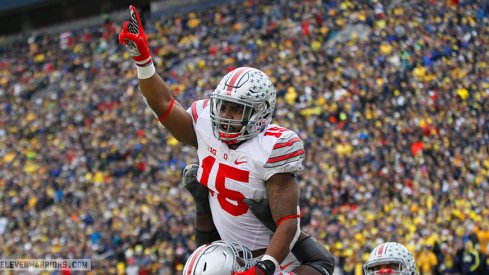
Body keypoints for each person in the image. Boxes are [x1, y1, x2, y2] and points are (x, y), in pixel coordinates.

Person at [119, 5, 333, 275]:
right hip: (223, 253)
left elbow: (288, 222)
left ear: (261, 112)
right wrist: (143, 61)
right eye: (223, 106)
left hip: (270, 259)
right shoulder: (206, 124)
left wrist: (264, 267)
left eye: (237, 109)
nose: (226, 115)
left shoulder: (274, 146)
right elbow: (162, 104)